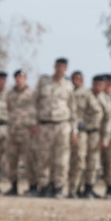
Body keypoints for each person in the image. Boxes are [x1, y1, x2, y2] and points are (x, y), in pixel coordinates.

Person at [34, 57, 77, 197]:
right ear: (54, 67)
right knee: (43, 157)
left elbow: (73, 109)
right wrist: (34, 122)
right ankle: (44, 185)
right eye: (58, 66)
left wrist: (74, 130)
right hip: (45, 124)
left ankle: (58, 187)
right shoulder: (44, 83)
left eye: (63, 67)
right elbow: (34, 103)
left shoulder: (68, 86)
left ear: (66, 69)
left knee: (61, 158)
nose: (60, 69)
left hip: (62, 125)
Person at [5, 69, 37, 196]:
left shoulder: (31, 94)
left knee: (29, 160)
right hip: (12, 131)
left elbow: (36, 110)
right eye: (17, 77)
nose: (19, 79)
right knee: (11, 160)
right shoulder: (10, 94)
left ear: (25, 79)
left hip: (26, 132)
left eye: (22, 77)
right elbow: (8, 109)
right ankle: (13, 186)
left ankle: (33, 186)